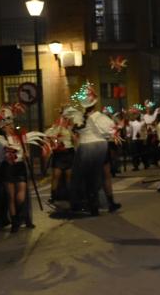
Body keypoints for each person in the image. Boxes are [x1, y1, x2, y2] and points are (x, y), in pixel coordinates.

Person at [0, 104, 47, 232]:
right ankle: (15, 221)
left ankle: (21, 217)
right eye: (5, 124)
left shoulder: (20, 135)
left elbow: (25, 152)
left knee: (21, 196)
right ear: (1, 126)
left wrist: (26, 153)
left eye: (9, 123)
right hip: (8, 168)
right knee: (11, 197)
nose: (8, 126)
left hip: (20, 167)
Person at [70, 82, 116, 216]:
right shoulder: (100, 117)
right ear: (94, 103)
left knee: (88, 178)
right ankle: (109, 202)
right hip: (100, 147)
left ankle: (92, 205)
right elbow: (111, 131)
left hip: (84, 148)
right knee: (104, 175)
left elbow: (75, 132)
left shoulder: (78, 118)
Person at [45, 105, 80, 203]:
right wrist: (56, 139)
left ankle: (70, 195)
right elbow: (49, 135)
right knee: (56, 175)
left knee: (69, 175)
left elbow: (76, 140)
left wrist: (72, 133)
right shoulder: (57, 125)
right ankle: (53, 195)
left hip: (69, 152)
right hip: (59, 153)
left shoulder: (71, 126)